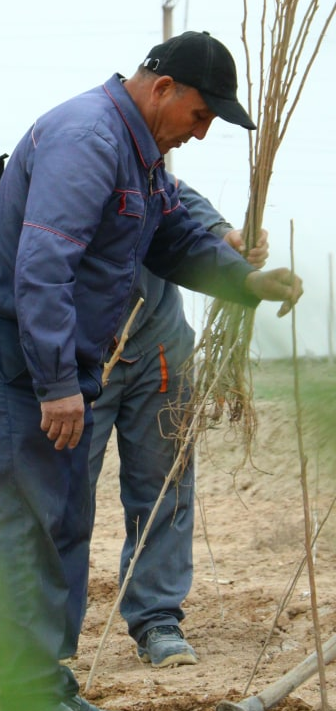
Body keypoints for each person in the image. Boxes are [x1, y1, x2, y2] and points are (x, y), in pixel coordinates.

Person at [0, 30, 303, 711]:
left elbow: (171, 234)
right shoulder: (88, 139)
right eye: (202, 116)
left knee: (58, 517)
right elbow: (43, 267)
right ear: (164, 88)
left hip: (53, 356)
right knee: (24, 520)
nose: (201, 135)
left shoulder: (142, 155)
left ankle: (49, 685)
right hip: (11, 353)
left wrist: (246, 280)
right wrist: (57, 384)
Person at [87, 186, 268, 669]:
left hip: (159, 345)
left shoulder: (148, 162)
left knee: (164, 485)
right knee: (60, 490)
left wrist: (225, 238)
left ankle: (157, 618)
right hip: (80, 349)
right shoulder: (70, 162)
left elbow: (183, 208)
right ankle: (46, 631)